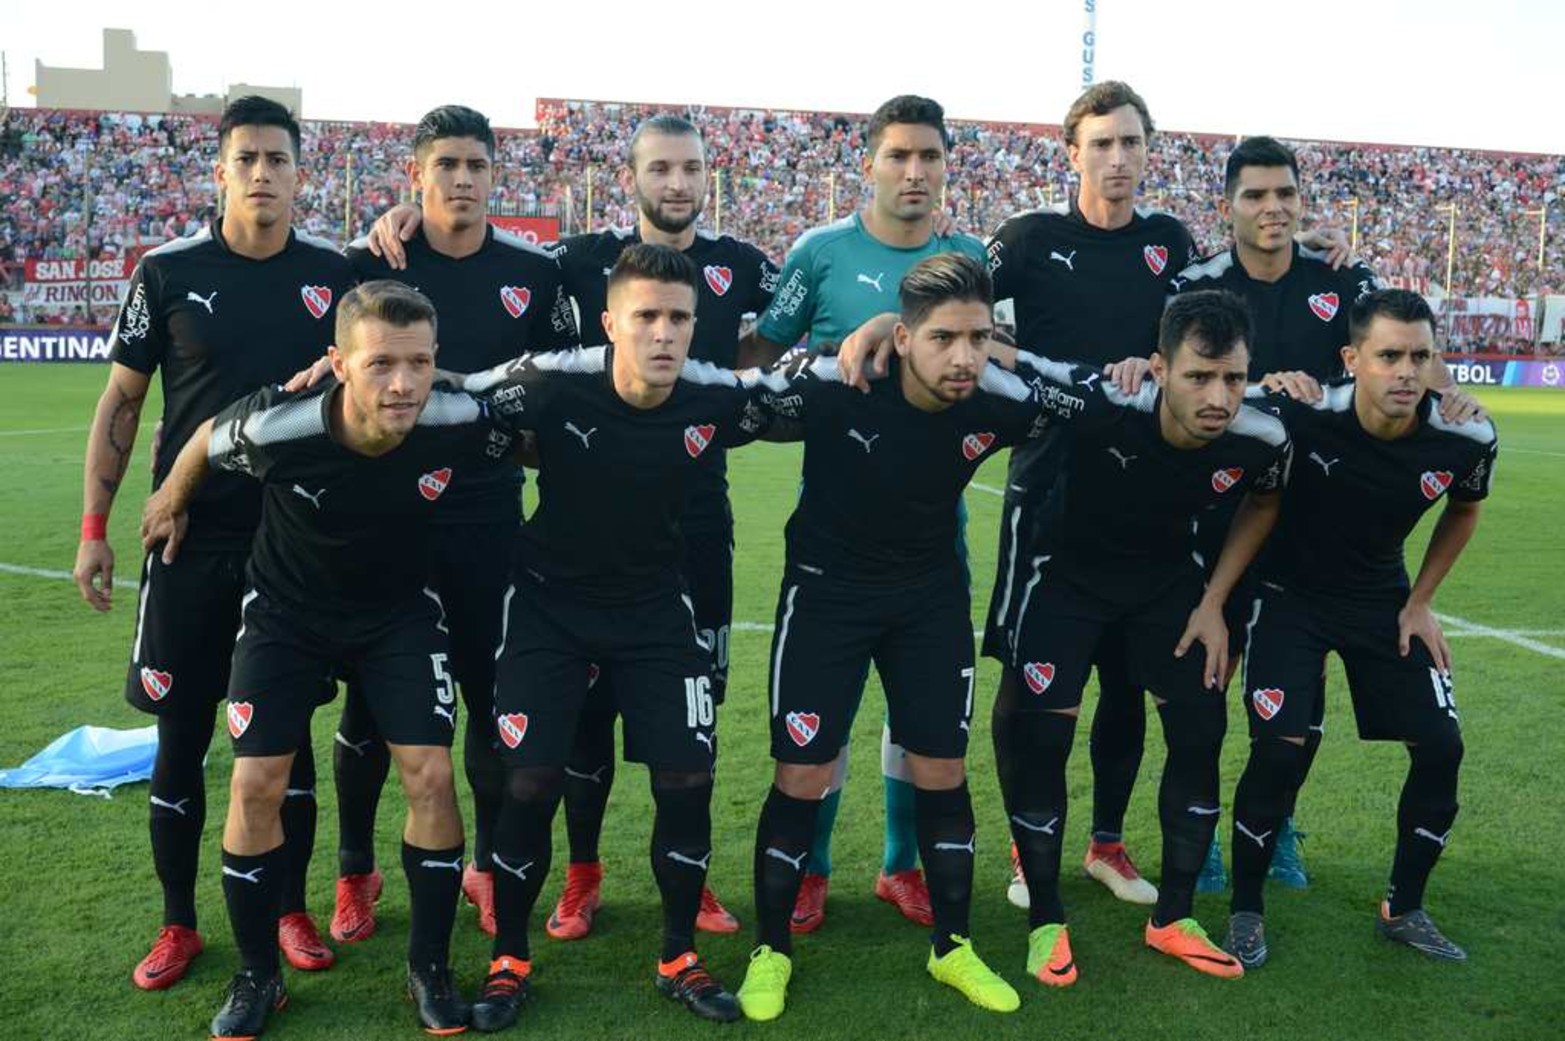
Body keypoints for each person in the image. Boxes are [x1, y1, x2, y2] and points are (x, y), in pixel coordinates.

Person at [366, 114, 777, 938]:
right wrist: (408, 217)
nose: (676, 183)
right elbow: (486, 260)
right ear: (631, 178)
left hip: (696, 525)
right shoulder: (579, 260)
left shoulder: (745, 264)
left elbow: (796, 331)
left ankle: (688, 884)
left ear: (709, 175)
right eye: (660, 168)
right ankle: (582, 871)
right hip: (586, 515)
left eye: (691, 168)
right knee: (585, 715)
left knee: (690, 717)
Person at [737, 253, 1115, 1020]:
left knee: (941, 770)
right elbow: (726, 401)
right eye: (943, 337)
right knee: (801, 773)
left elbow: (1094, 396)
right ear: (904, 339)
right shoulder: (837, 380)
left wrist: (1055, 358)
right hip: (826, 598)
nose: (963, 356)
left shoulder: (999, 396)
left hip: (929, 602)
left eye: (977, 337)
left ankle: (953, 946)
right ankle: (769, 948)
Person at [141, 280, 511, 1038]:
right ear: (338, 363)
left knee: (431, 775)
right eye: (380, 364)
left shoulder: (456, 415)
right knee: (255, 783)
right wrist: (172, 496)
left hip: (400, 613)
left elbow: (533, 423)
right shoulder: (281, 424)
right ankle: (257, 976)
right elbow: (207, 436)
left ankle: (430, 967)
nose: (402, 384)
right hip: (286, 614)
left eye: (418, 362)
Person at [453, 244, 784, 1030]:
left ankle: (677, 956)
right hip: (548, 606)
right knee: (530, 781)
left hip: (654, 607)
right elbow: (448, 398)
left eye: (678, 318)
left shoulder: (714, 395)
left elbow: (815, 392)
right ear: (609, 323)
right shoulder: (548, 380)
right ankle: (509, 958)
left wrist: (876, 342)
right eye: (646, 316)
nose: (663, 333)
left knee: (687, 777)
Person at [71, 95, 353, 991]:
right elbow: (122, 403)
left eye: (278, 158)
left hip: (292, 546)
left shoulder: (335, 273)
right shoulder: (166, 272)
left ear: (300, 173)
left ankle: (292, 908)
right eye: (247, 158)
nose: (262, 173)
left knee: (286, 741)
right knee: (182, 736)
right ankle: (178, 922)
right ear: (221, 170)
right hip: (186, 540)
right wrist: (94, 529)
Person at [1170, 135, 1479, 893]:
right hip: (1218, 507)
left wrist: (1448, 397)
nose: (1272, 208)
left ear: (1302, 200)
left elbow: (1403, 342)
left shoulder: (1341, 276)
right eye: (1255, 195)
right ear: (1227, 206)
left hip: (1306, 513)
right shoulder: (1197, 282)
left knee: (1292, 712)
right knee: (1205, 687)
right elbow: (1180, 378)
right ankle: (1201, 836)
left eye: (1285, 194)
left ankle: (1275, 826)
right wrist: (1259, 390)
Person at [328, 104, 578, 945]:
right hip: (386, 515)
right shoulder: (375, 262)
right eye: (446, 165)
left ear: (493, 174)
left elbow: (556, 391)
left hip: (486, 517)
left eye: (476, 165)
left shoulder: (534, 273)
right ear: (417, 175)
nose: (462, 179)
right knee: (369, 703)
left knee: (488, 698)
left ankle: (484, 868)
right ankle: (355, 871)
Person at [743, 94, 989, 935]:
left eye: (929, 156)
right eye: (898, 156)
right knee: (829, 712)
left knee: (919, 719)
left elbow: (996, 352)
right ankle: (811, 867)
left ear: (946, 165)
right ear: (869, 164)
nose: (914, 172)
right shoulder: (819, 251)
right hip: (834, 537)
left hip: (935, 539)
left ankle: (899, 864)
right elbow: (760, 356)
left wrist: (897, 321)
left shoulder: (968, 256)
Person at [996, 290, 1289, 985]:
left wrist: (1214, 601)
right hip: (1063, 580)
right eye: (1198, 376)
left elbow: (1264, 500)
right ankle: (1046, 922)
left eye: (1233, 378)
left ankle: (1174, 919)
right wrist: (884, 326)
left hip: (1166, 587)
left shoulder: (1262, 437)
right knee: (1043, 740)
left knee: (1200, 730)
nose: (1217, 396)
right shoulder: (1100, 398)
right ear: (1158, 369)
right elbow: (1005, 356)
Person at [1222, 289, 1497, 968]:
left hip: (1381, 599)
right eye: (1389, 356)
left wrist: (1421, 601)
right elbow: (1208, 399)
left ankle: (1403, 908)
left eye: (1419, 357)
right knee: (1279, 750)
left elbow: (1464, 510)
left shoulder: (1465, 436)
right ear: (1352, 359)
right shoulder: (1303, 412)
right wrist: (1265, 380)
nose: (1406, 371)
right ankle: (1245, 910)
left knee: (1441, 746)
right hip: (1286, 597)